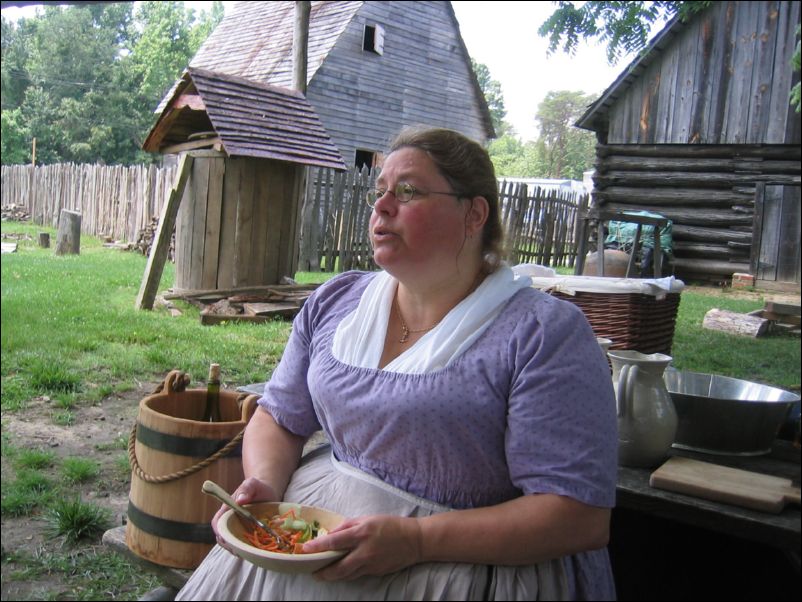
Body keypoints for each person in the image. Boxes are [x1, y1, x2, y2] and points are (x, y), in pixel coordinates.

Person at [176, 126, 618, 601]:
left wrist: (418, 540)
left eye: (407, 192)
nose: (382, 207)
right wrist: (265, 482)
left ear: (474, 214)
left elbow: (578, 516)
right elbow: (279, 417)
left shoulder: (542, 333)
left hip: (463, 573)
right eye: (380, 191)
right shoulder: (336, 301)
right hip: (303, 546)